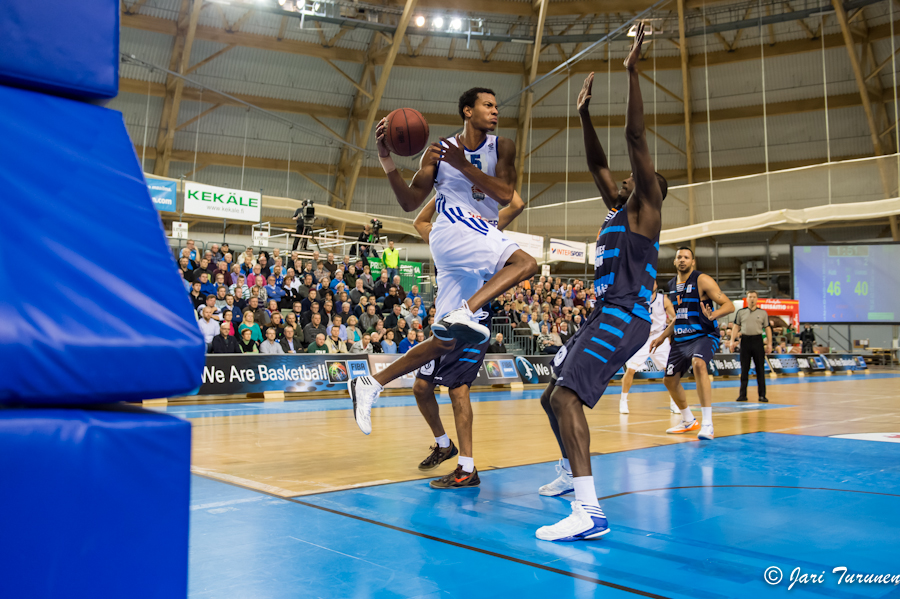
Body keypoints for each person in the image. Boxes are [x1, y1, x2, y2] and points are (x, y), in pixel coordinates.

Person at [535, 29, 669, 543]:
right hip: (605, 312)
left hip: (624, 315)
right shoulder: (619, 209)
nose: (625, 179)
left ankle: (590, 512)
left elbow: (636, 141)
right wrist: (585, 115)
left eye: (636, 178)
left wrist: (632, 72)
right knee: (552, 398)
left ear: (652, 188)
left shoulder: (646, 210)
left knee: (568, 399)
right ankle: (572, 476)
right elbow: (596, 163)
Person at [349, 85, 540, 433]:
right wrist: (386, 159)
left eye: (497, 106)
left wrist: (464, 165)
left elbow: (505, 195)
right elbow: (409, 203)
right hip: (453, 230)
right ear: (467, 111)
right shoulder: (438, 152)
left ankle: (371, 383)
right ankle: (464, 312)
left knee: (444, 340)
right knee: (526, 264)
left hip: (472, 243)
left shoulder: (502, 147)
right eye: (488, 105)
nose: (495, 111)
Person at [651, 246, 734, 440]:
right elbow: (679, 316)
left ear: (692, 261)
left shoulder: (701, 280)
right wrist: (662, 336)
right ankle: (688, 420)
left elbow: (728, 305)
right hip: (680, 341)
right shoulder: (672, 284)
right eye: (679, 257)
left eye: (686, 257)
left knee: (699, 363)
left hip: (703, 335)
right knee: (669, 380)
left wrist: (714, 314)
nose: (682, 260)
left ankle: (707, 424)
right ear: (674, 261)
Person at [618, 281, 678, 415]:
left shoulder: (664, 300)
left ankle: (674, 403)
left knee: (669, 371)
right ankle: (623, 400)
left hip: (659, 337)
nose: (652, 283)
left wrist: (668, 331)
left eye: (654, 281)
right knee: (631, 370)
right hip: (641, 338)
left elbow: (676, 318)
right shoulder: (636, 299)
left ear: (657, 284)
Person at [729, 290, 772, 402]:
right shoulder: (741, 312)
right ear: (747, 299)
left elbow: (767, 328)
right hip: (745, 341)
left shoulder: (763, 313)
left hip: (758, 340)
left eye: (754, 297)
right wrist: (732, 341)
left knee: (760, 369)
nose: (752, 299)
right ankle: (742, 395)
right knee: (744, 369)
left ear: (757, 299)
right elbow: (735, 327)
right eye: (750, 297)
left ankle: (762, 395)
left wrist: (770, 344)